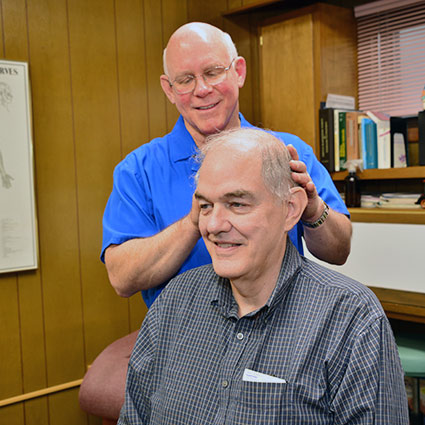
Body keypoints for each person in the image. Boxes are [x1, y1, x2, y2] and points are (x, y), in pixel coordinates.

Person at [118, 128, 408, 424]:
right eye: (205, 206)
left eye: (238, 204)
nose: (214, 224)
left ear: (291, 209)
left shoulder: (349, 319)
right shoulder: (175, 301)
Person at [102, 22, 352, 309]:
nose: (202, 89)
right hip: (186, 339)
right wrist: (195, 221)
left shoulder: (289, 153)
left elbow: (339, 250)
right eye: (185, 80)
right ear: (169, 89)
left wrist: (312, 210)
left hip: (285, 335)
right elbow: (122, 278)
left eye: (212, 72)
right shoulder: (138, 170)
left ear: (239, 72)